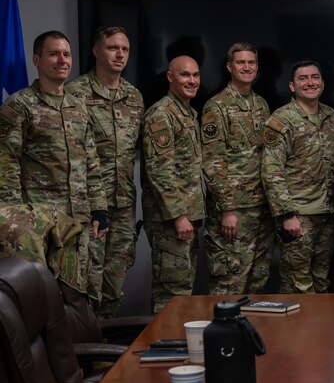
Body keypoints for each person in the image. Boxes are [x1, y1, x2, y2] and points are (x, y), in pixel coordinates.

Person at [0, 30, 108, 294]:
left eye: (66, 54)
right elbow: (6, 163)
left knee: (82, 294)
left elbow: (91, 162)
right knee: (41, 295)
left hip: (79, 220)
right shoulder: (19, 105)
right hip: (40, 222)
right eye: (54, 54)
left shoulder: (78, 107)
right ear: (36, 60)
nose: (62, 60)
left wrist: (99, 210)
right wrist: (18, 220)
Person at [67, 26, 143, 317]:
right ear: (96, 51)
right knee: (87, 281)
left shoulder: (134, 96)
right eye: (112, 48)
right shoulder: (74, 93)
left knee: (115, 282)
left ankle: (105, 340)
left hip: (123, 204)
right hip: (87, 205)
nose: (120, 54)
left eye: (124, 49)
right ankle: (85, 340)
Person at [262, 60, 334, 294]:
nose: (310, 83)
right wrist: (286, 215)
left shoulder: (331, 117)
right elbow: (271, 170)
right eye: (303, 78)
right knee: (297, 285)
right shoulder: (281, 120)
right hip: (298, 216)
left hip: (326, 214)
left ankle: (318, 322)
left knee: (321, 281)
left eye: (315, 77)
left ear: (323, 83)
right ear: (292, 86)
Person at [201, 42, 272, 295]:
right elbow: (213, 161)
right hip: (234, 212)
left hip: (261, 209)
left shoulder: (261, 105)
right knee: (230, 284)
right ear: (229, 66)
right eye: (241, 62)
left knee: (257, 282)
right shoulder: (216, 106)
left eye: (251, 62)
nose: (247, 67)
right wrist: (227, 208)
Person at [141, 55, 205, 313]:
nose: (192, 81)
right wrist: (179, 216)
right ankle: (165, 339)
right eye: (185, 75)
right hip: (171, 221)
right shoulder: (161, 115)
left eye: (195, 75)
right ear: (170, 77)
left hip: (186, 218)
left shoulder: (187, 113)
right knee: (171, 295)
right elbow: (160, 171)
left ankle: (174, 337)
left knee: (182, 289)